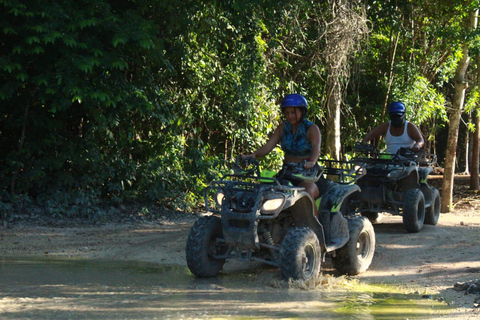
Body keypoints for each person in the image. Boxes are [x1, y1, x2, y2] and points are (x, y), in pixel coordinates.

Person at [243, 93, 321, 216]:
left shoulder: (312, 128)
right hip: (287, 172)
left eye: (293, 112)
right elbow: (269, 146)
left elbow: (316, 147)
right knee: (264, 191)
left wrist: (312, 161)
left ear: (302, 111)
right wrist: (254, 155)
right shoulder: (283, 128)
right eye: (287, 113)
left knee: (307, 193)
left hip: (307, 174)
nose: (290, 116)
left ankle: (314, 226)